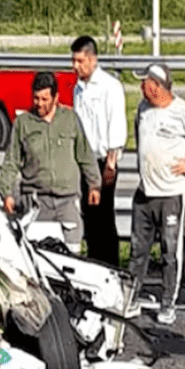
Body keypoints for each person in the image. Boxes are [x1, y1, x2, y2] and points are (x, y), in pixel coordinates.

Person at [130, 63, 185, 325]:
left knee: (169, 252)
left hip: (170, 194)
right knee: (138, 250)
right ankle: (131, 297)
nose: (140, 87)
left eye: (144, 82)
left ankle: (168, 302)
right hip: (145, 192)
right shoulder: (143, 109)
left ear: (157, 86)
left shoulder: (183, 111)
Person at [0, 72, 100, 253]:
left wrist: (94, 184)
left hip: (67, 201)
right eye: (36, 98)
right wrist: (6, 193)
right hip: (37, 202)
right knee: (38, 256)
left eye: (45, 99)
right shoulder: (23, 123)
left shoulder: (70, 120)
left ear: (56, 97)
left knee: (72, 254)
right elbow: (11, 161)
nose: (40, 104)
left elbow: (85, 154)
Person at [70, 35, 127, 267]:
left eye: (80, 61)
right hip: (84, 161)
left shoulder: (109, 87)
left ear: (92, 60)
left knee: (104, 219)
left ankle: (110, 266)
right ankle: (94, 265)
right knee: (89, 221)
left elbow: (116, 126)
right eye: (73, 61)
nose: (76, 67)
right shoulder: (78, 89)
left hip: (104, 161)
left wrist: (111, 164)